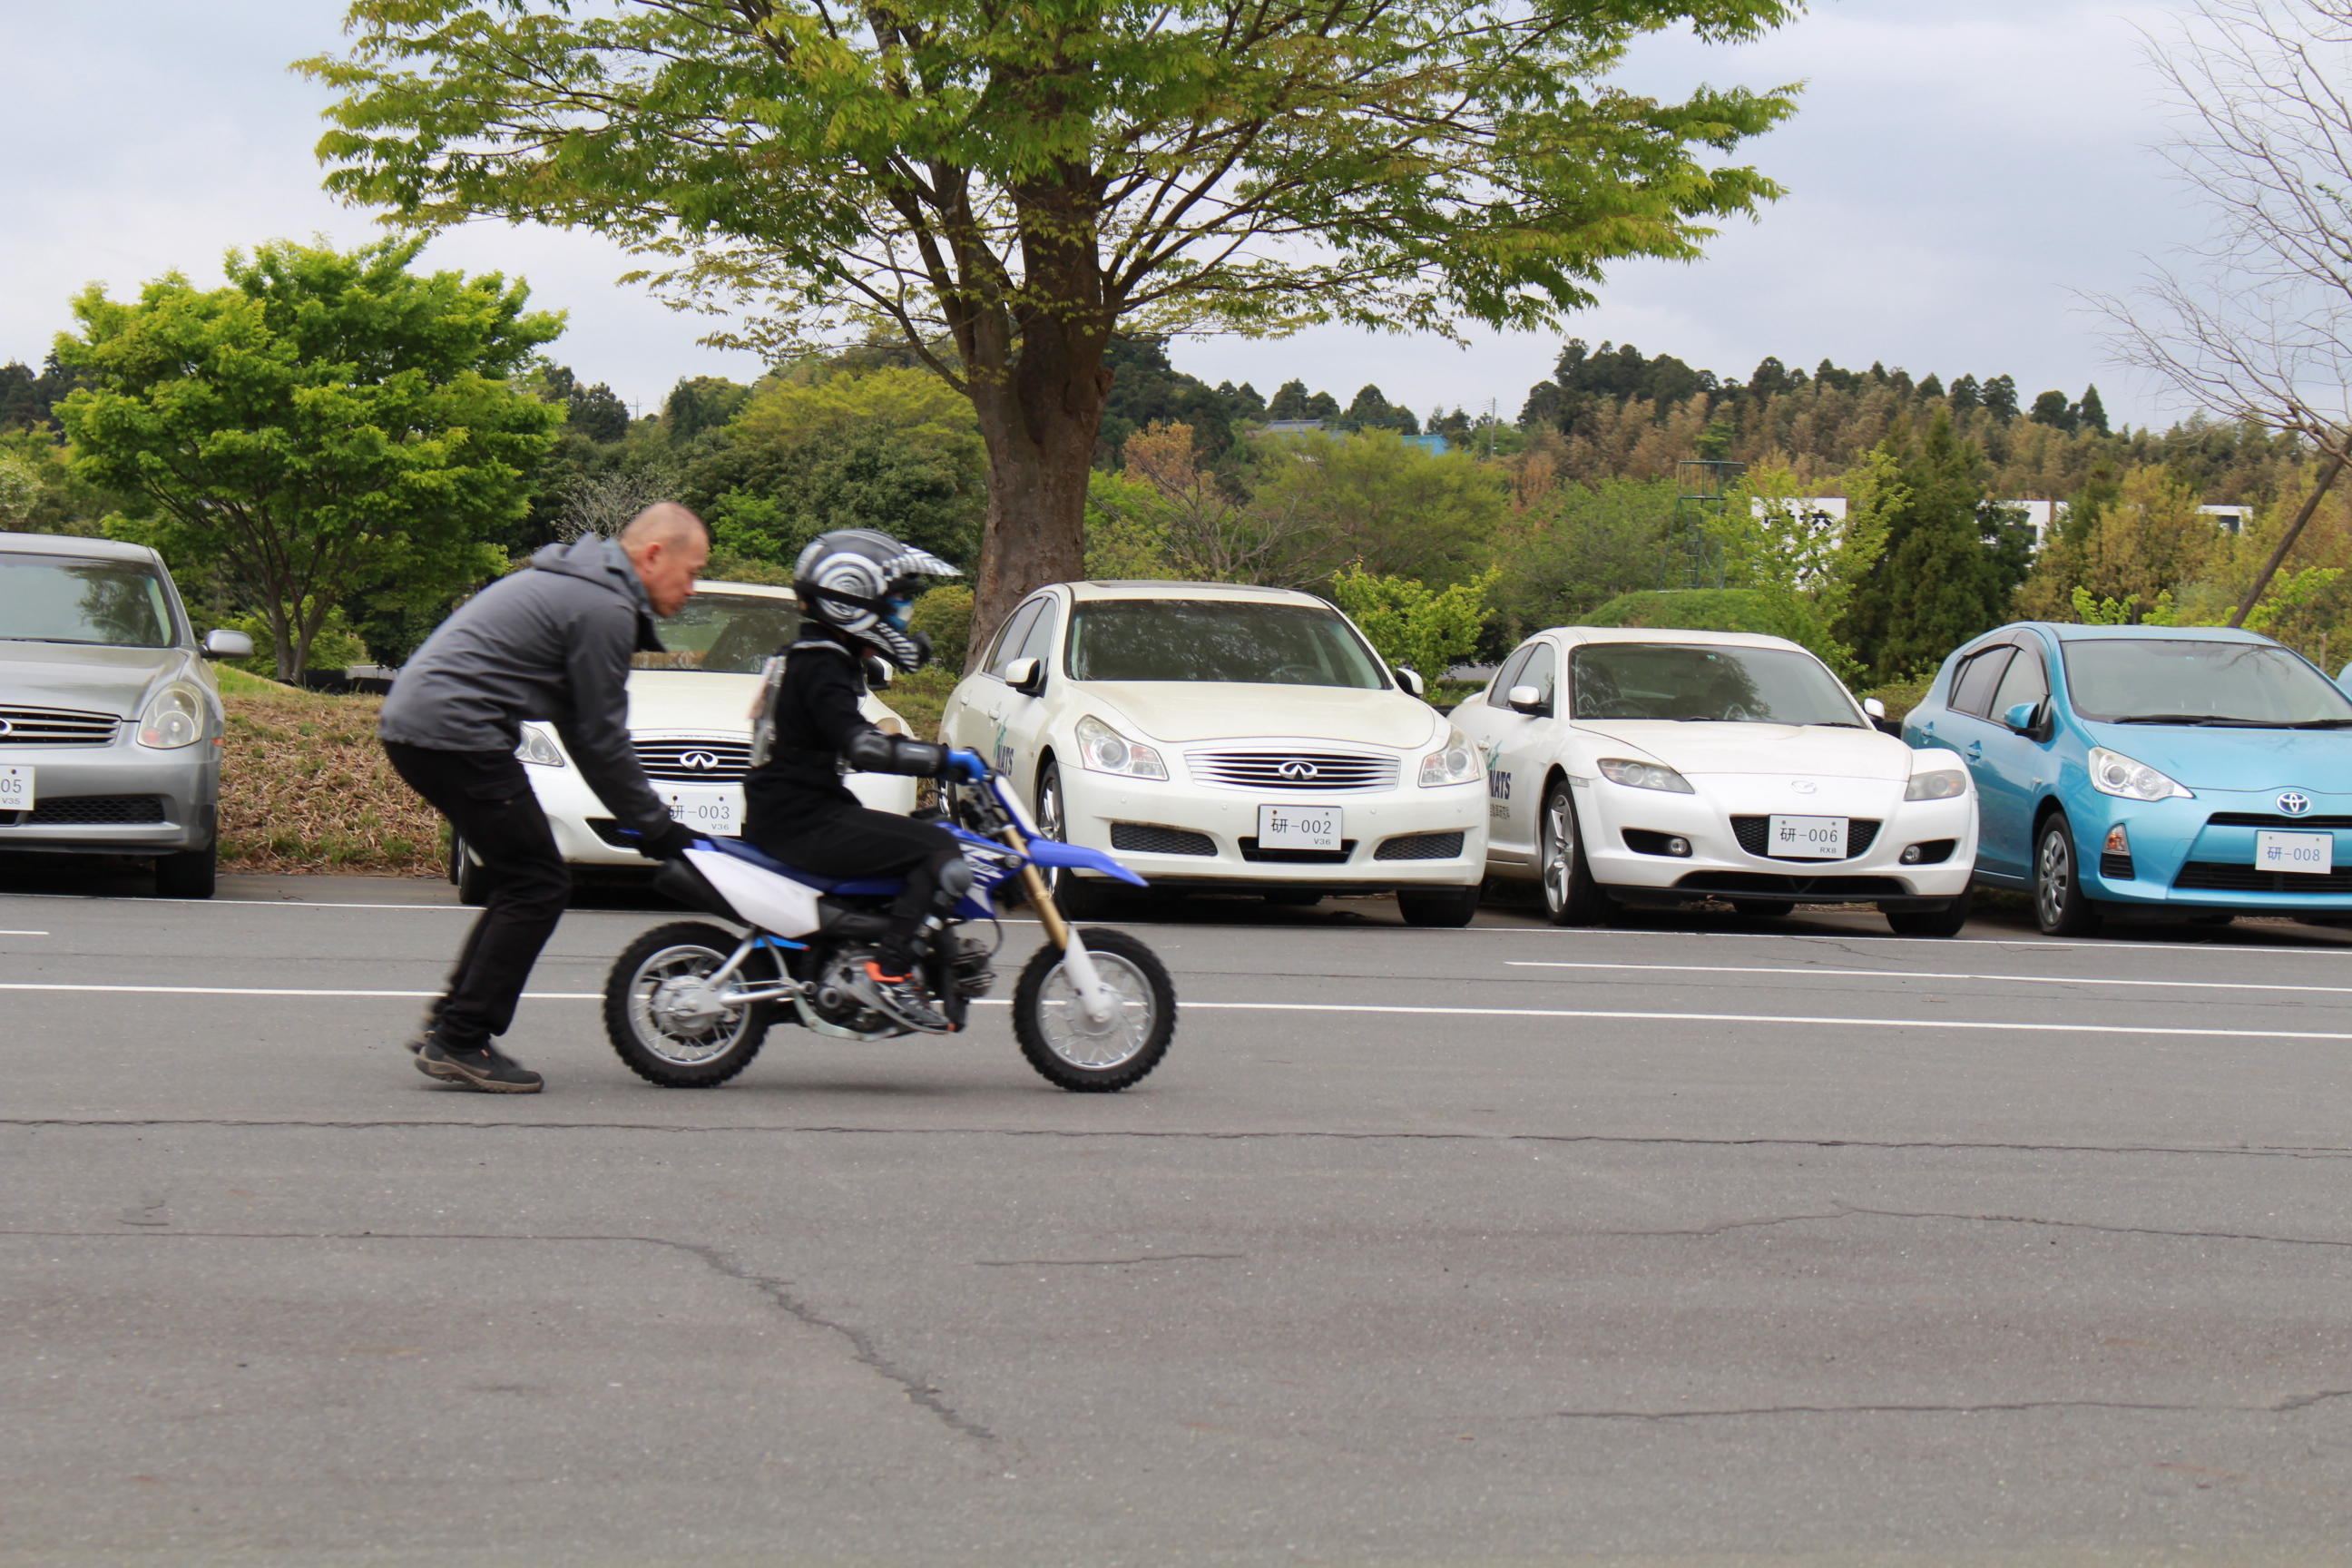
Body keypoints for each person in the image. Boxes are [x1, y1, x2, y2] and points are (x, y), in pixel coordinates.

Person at [379, 505, 710, 1092]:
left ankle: (453, 1023)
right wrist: (658, 828)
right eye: (692, 571)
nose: (692, 589)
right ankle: (459, 1037)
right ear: (654, 555)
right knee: (538, 882)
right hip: (453, 731)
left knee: (523, 879)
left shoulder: (578, 589)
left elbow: (584, 732)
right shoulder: (603, 606)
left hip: (425, 726)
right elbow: (600, 739)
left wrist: (650, 822)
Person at [741, 528, 984, 1034]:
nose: (904, 614)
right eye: (896, 600)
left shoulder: (811, 656)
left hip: (797, 809)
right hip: (803, 818)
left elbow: (833, 730)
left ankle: (894, 955)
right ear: (851, 598)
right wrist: (944, 760)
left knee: (924, 830)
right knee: (938, 852)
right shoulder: (821, 663)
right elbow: (861, 746)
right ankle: (890, 972)